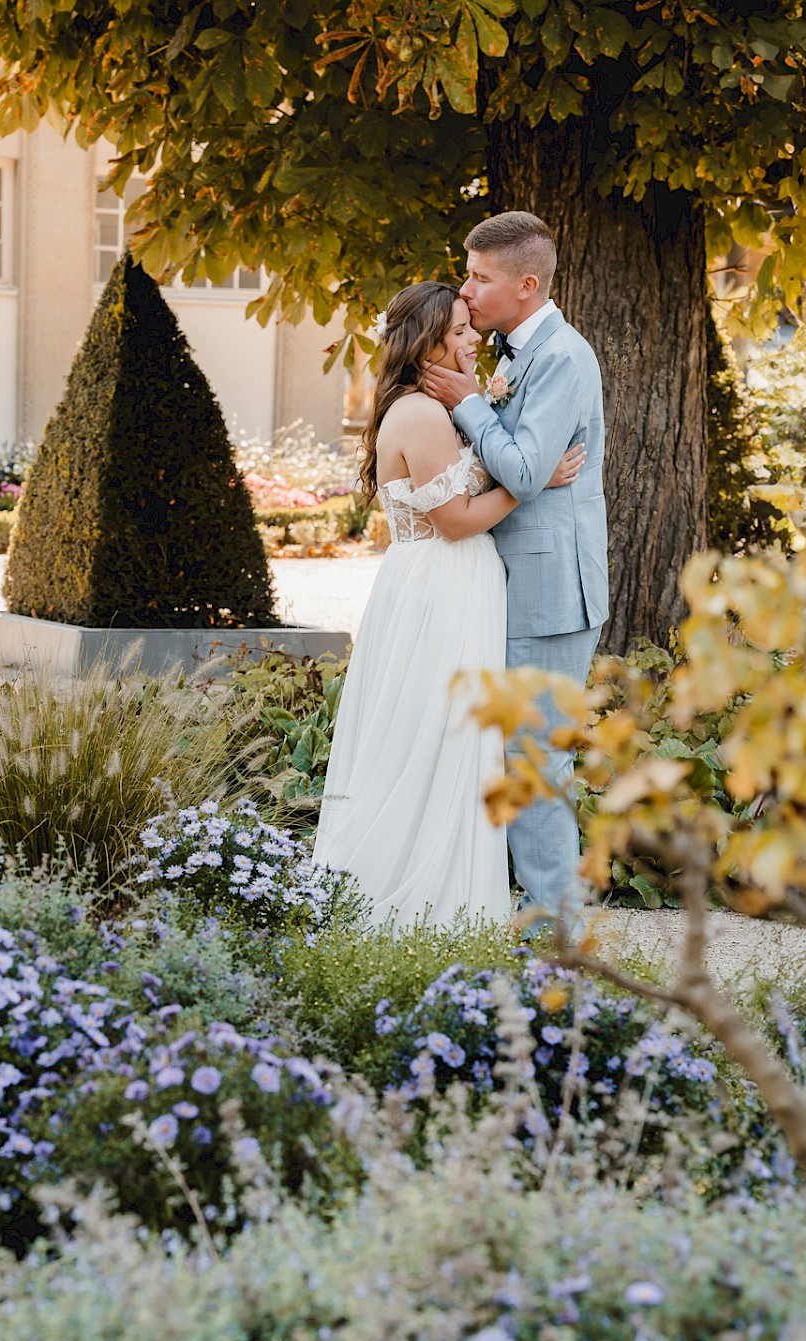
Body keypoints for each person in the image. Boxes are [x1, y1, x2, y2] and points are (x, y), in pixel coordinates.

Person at [313, 281, 585, 929]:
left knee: (454, 740)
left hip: (453, 586)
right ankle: (420, 906)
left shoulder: (432, 409)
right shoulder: (421, 415)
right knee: (435, 738)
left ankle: (448, 903)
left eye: (471, 328)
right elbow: (458, 521)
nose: (474, 340)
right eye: (459, 330)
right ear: (426, 341)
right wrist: (532, 481)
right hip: (440, 588)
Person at [422, 212, 608, 934]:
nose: (466, 292)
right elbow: (526, 471)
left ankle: (558, 939)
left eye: (479, 277)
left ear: (526, 285)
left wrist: (468, 403)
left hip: (551, 594)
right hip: (514, 585)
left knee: (536, 766)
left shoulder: (561, 356)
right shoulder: (510, 352)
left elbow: (527, 471)